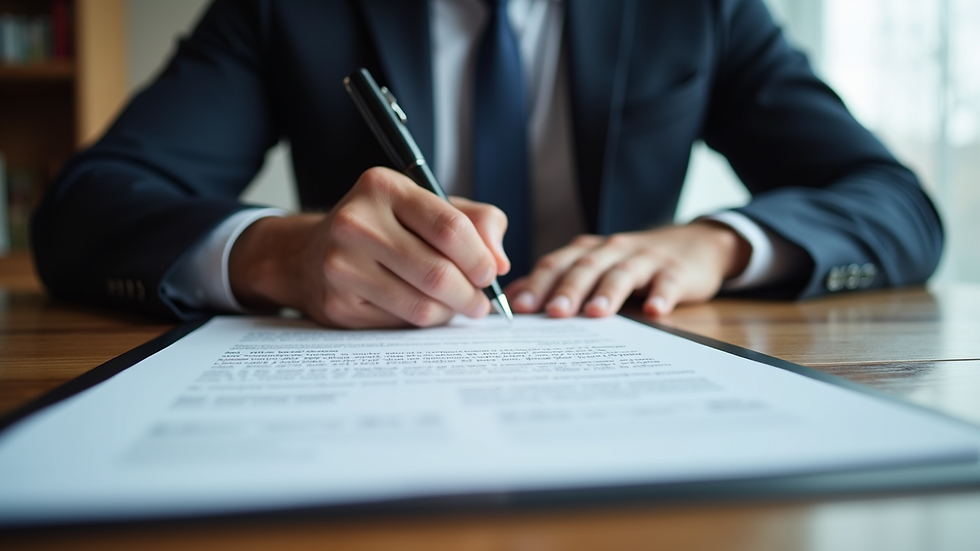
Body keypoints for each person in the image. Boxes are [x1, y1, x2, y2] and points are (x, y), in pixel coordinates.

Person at [31, 0, 943, 329]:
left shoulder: (697, 9)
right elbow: (85, 208)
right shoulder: (286, 9)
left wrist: (720, 244)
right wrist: (279, 254)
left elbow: (895, 203)